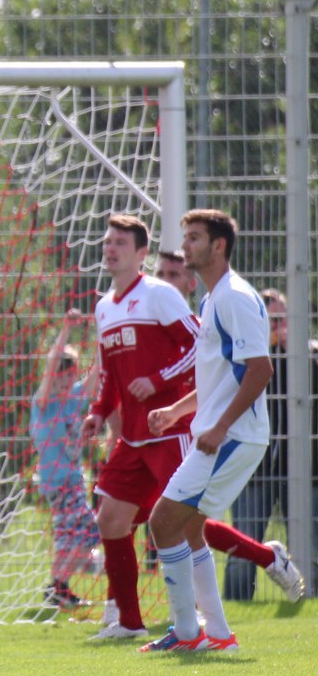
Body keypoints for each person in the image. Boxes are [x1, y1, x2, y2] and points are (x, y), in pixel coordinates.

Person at [78, 214, 296, 641]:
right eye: (107, 241)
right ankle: (154, 623)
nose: (109, 248)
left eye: (194, 239)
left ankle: (192, 626)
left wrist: (188, 410)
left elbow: (252, 367)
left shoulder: (203, 297)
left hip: (211, 435)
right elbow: (200, 374)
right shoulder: (201, 300)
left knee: (171, 523)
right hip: (157, 432)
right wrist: (112, 411)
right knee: (139, 521)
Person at [138, 209, 289, 651]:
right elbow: (223, 379)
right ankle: (218, 636)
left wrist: (219, 427)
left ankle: (188, 634)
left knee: (162, 522)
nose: (185, 246)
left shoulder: (232, 298)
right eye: (186, 238)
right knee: (188, 528)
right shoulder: (213, 298)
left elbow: (259, 371)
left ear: (218, 246)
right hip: (229, 433)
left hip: (233, 436)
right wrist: (174, 411)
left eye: (194, 238)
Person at [221, 289, 302, 601]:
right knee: (243, 546)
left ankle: (309, 599)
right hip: (254, 469)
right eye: (271, 322)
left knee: (311, 543)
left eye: (283, 320)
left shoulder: (307, 354)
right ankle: (236, 604)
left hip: (303, 470)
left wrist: (293, 349)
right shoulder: (246, 360)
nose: (278, 328)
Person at [30, 314, 102, 607]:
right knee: (81, 532)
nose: (62, 376)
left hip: (73, 479)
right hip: (57, 482)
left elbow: (99, 369)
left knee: (78, 533)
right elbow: (49, 367)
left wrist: (105, 330)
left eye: (68, 370)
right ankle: (61, 584)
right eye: (59, 370)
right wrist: (67, 330)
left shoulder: (75, 397)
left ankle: (61, 585)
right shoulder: (43, 402)